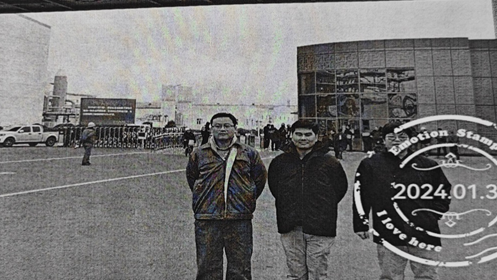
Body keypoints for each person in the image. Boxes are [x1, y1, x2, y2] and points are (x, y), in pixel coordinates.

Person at [353, 122, 452, 280]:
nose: (397, 140)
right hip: (388, 231)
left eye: (402, 137)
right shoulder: (370, 165)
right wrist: (361, 223)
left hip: (424, 232)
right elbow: (361, 194)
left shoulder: (428, 165)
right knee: (390, 276)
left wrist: (432, 215)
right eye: (391, 137)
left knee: (427, 275)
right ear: (383, 140)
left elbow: (443, 191)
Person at [186, 112, 267, 280]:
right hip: (207, 218)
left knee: (240, 269)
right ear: (211, 129)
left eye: (227, 126)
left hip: (239, 218)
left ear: (235, 129)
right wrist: (206, 200)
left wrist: (245, 198)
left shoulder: (248, 153)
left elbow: (259, 180)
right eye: (217, 126)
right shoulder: (199, 153)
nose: (222, 129)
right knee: (207, 269)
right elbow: (192, 179)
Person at [268, 120, 348, 280]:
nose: (303, 138)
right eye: (298, 134)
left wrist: (322, 207)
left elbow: (339, 189)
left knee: (317, 273)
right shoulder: (280, 162)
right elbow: (275, 188)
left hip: (321, 226)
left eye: (307, 134)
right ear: (291, 135)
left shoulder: (330, 162)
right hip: (290, 225)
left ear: (316, 137)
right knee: (296, 273)